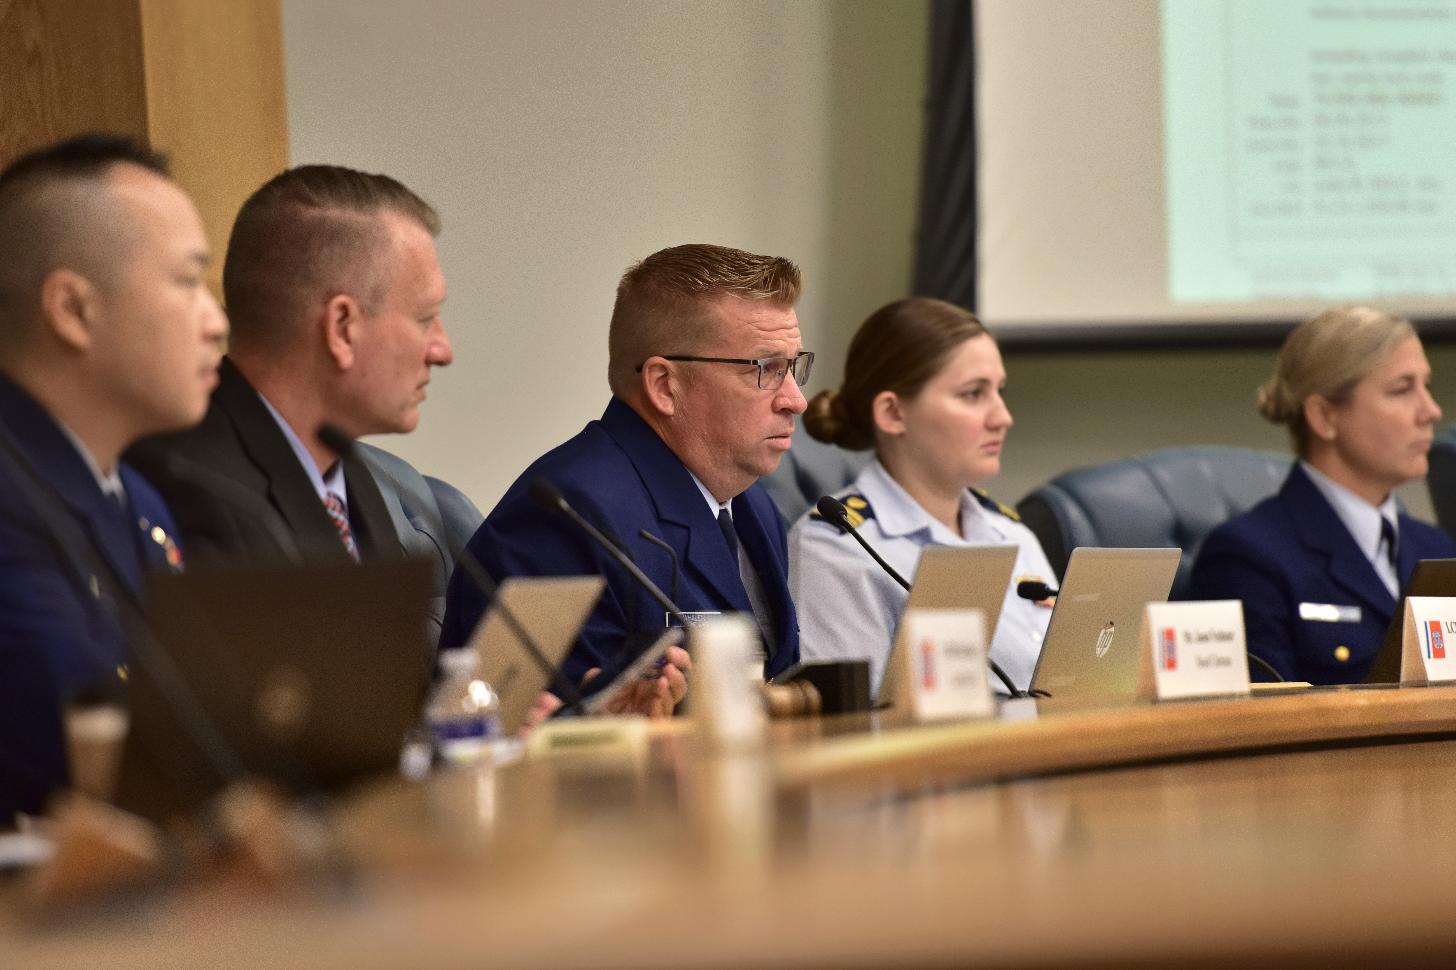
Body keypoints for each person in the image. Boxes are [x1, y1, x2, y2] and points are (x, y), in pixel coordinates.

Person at [442, 243, 807, 699]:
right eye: (767, 369)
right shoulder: (566, 518)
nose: (796, 399)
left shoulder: (751, 505)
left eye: (794, 368)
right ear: (664, 385)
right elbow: (554, 738)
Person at [127, 165, 459, 645]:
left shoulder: (351, 473)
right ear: (342, 328)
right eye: (426, 318)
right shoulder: (192, 491)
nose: (443, 351)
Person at [0, 134, 228, 818]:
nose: (217, 322)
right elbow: (81, 758)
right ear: (72, 309)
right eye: (188, 282)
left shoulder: (137, 497)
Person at [788, 298, 1054, 696]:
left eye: (998, 391)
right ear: (893, 413)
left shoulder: (1012, 534)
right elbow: (855, 725)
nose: (1002, 417)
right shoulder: (836, 548)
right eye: (972, 394)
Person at [1190, 306, 1455, 684]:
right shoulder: (1248, 557)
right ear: (1324, 417)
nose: (1431, 410)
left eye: (1426, 386)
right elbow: (1258, 730)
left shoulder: (1436, 548)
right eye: (1401, 390)